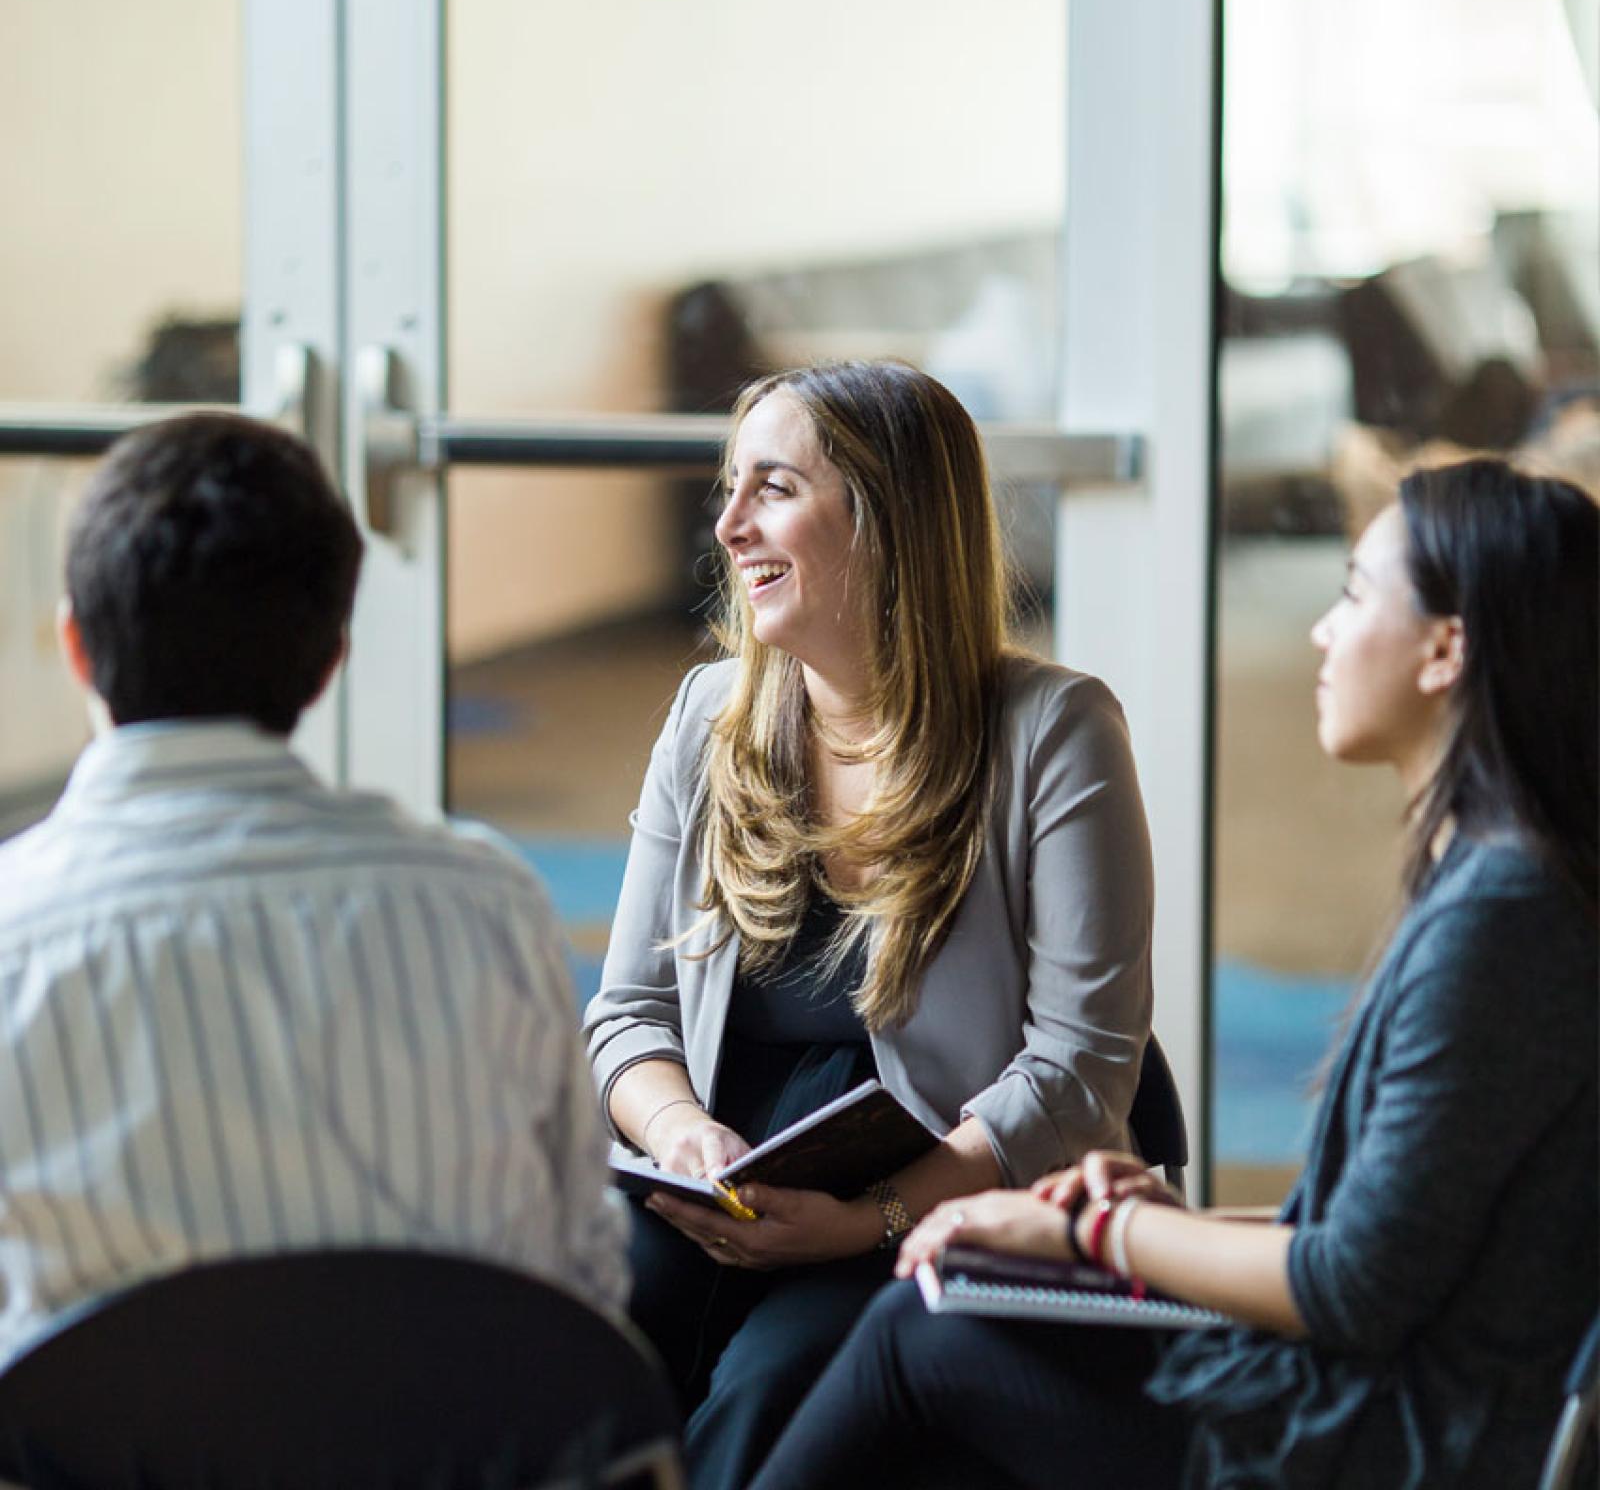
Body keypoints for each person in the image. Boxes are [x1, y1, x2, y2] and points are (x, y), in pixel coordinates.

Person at [750, 457, 1599, 1490]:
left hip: (1388, 1439)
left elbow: (1349, 1284)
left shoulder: (1498, 921)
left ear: (1443, 649)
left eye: (1351, 595)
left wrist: (1097, 1226)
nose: (1321, 633)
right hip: (1375, 1392)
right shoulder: (1496, 882)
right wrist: (1133, 1224)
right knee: (950, 1307)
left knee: (916, 1334)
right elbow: (1377, 1238)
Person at [582, 360, 1155, 1487]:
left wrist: (872, 1217)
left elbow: (1081, 1068)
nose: (730, 525)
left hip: (945, 1198)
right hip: (716, 1183)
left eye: (774, 488)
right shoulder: (709, 717)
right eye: (730, 488)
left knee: (767, 1387)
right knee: (578, 1340)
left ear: (886, 520)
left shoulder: (1056, 731)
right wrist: (683, 1137)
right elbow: (628, 1012)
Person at [0, 411, 627, 1365]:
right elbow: (582, 1280)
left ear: (77, 647)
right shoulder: (486, 902)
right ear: (332, 659)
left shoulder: (14, 934)